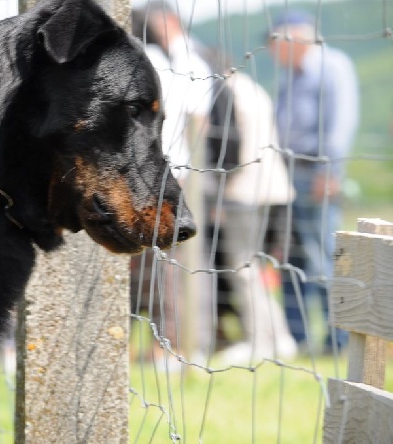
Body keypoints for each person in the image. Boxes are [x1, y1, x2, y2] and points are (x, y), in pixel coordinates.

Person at [267, 10, 359, 353]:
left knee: (323, 256)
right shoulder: (289, 74)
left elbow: (341, 123)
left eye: (277, 43)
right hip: (286, 174)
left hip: (315, 173)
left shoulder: (333, 66)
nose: (273, 52)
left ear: (297, 37)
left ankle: (337, 340)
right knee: (291, 257)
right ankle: (298, 336)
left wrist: (330, 171)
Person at [130, 1, 212, 364]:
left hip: (150, 172)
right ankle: (168, 342)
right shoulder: (189, 62)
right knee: (164, 264)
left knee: (158, 265)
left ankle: (168, 344)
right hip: (175, 170)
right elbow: (203, 123)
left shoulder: (148, 62)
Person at [202, 64, 298, 363]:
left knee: (242, 268)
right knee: (255, 265)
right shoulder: (253, 88)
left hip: (243, 188)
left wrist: (220, 187)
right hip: (273, 185)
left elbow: (228, 144)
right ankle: (280, 338)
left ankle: (259, 340)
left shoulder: (223, 89)